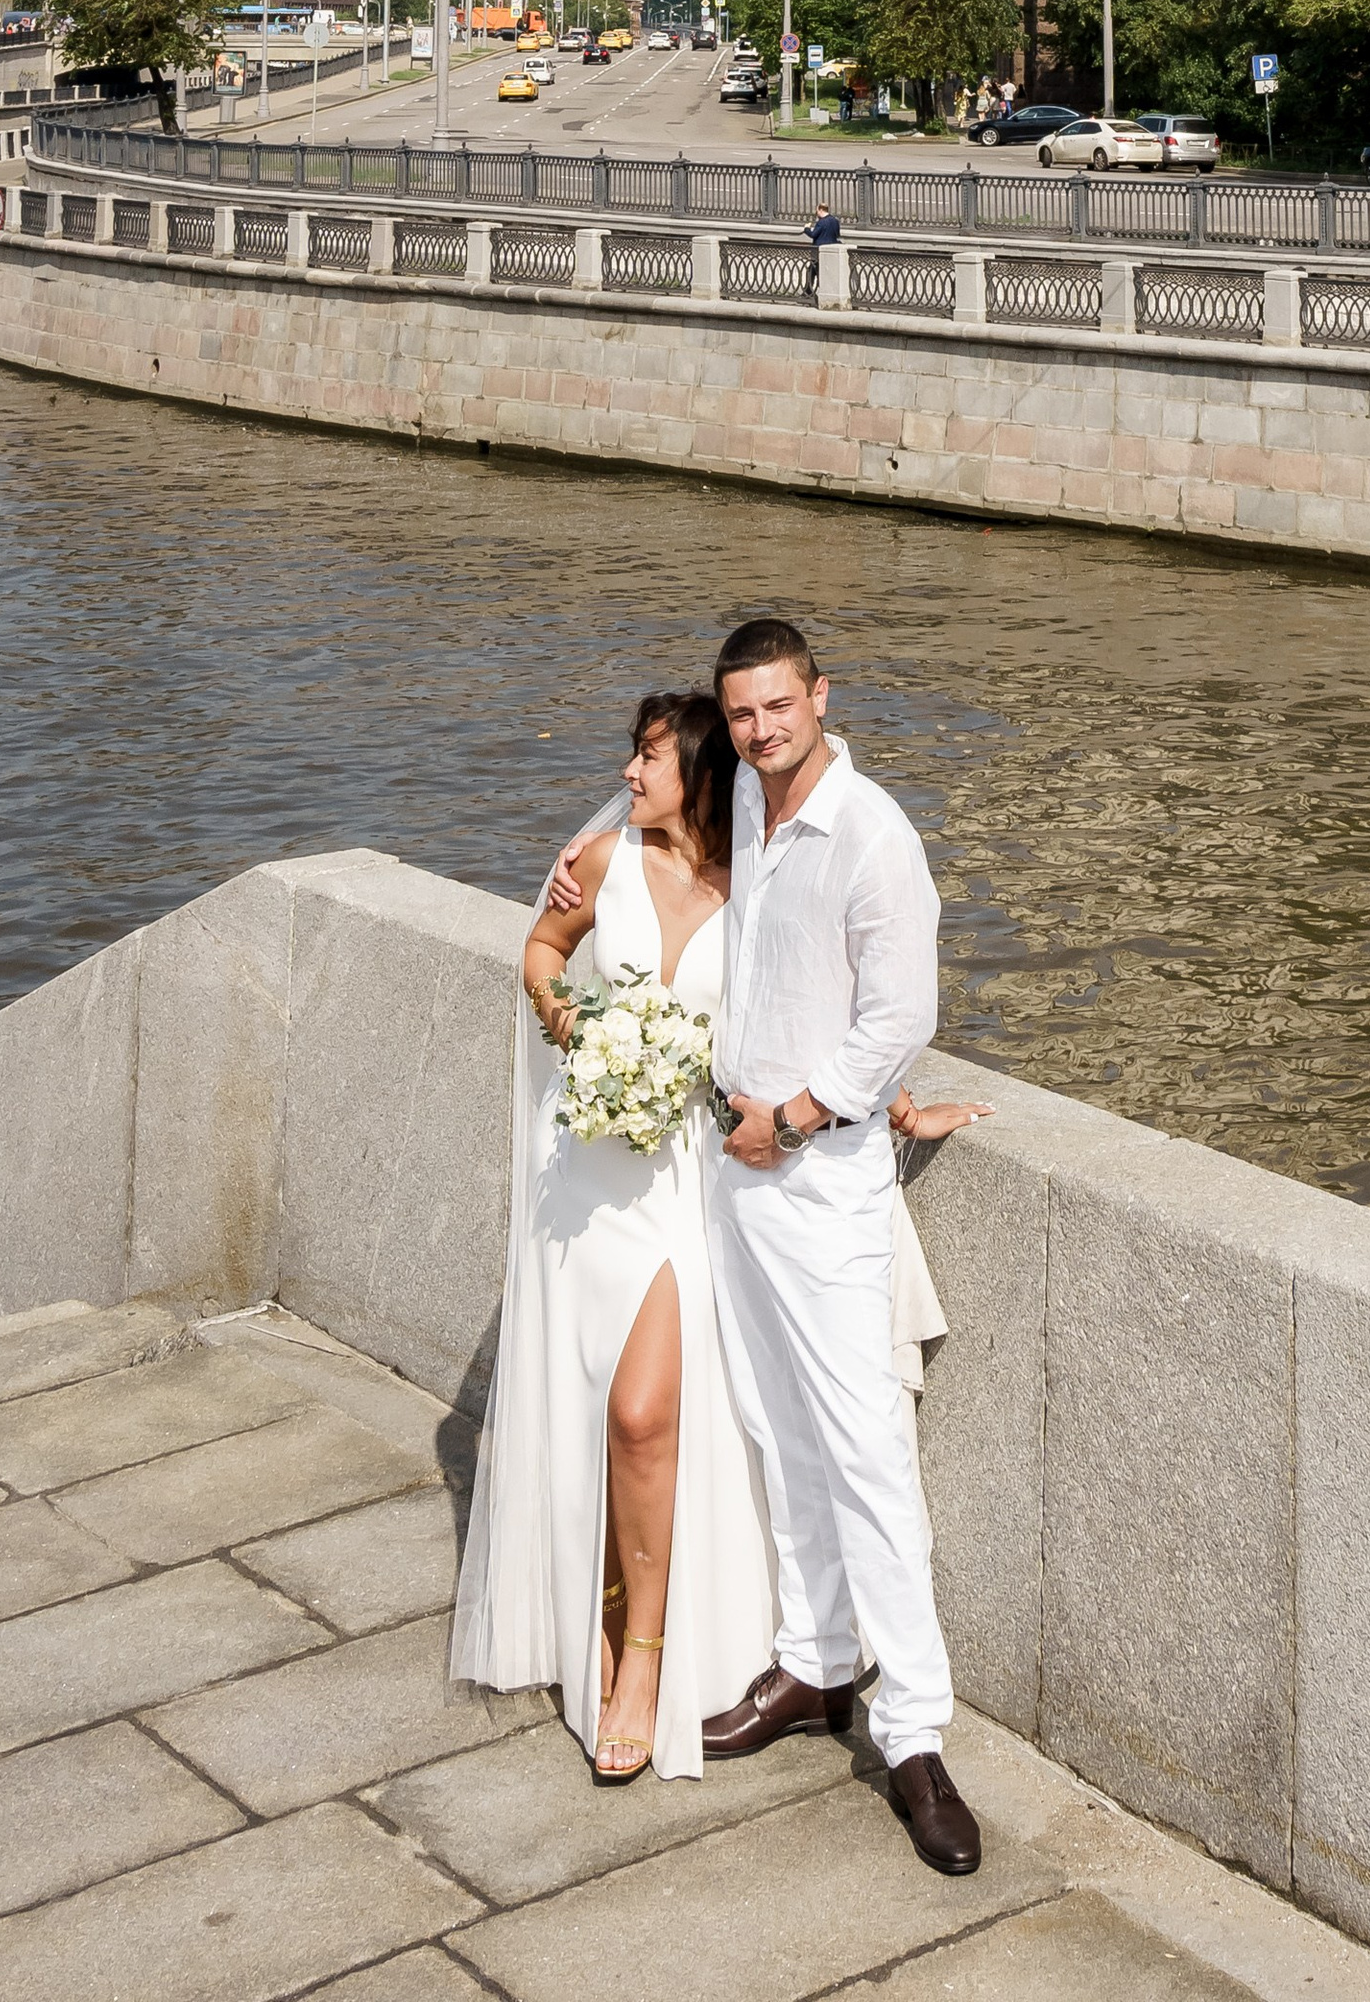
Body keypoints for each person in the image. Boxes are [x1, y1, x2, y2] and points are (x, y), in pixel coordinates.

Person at [453, 687, 983, 1784]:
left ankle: (654, 1660)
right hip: (592, 1173)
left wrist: (896, 1104)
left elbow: (825, 1016)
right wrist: (582, 1030)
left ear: (694, 775)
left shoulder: (761, 885)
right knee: (589, 1400)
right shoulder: (598, 864)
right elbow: (543, 954)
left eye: (648, 758)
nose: (629, 773)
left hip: (693, 1184)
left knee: (648, 1414)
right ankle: (602, 1622)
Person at [695, 615, 983, 1877]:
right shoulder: (754, 807)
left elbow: (900, 1014)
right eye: (742, 715)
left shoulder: (873, 835)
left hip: (815, 1176)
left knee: (866, 1450)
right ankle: (814, 1665)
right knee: (775, 1422)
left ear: (821, 696)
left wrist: (801, 1119)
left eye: (778, 708)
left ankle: (915, 1734)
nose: (761, 731)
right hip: (734, 1162)